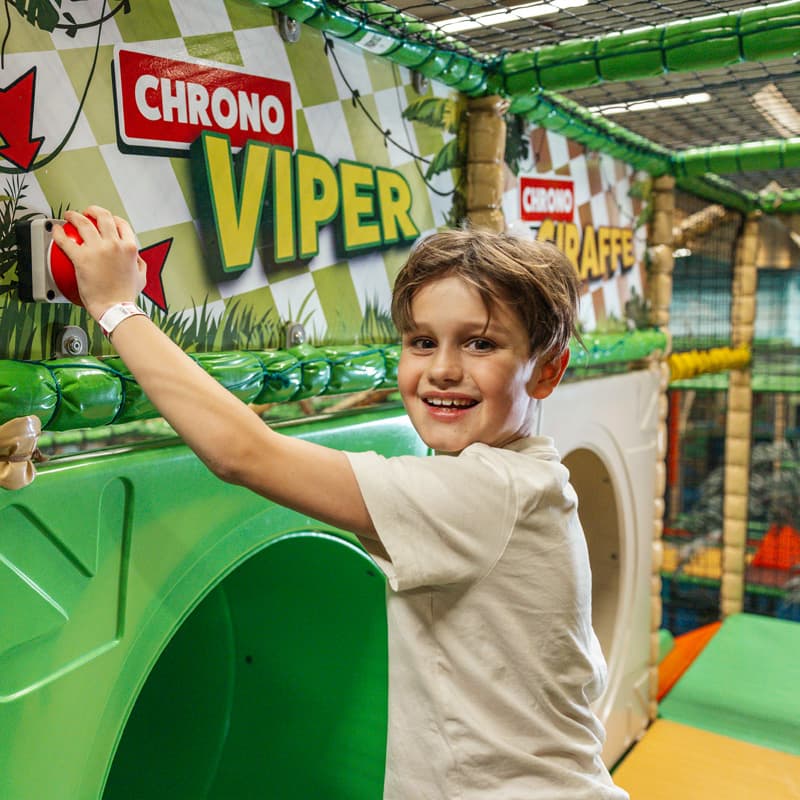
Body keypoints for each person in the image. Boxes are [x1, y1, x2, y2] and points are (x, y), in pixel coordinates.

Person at [53, 207, 629, 800]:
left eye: (480, 343)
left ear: (547, 371)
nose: (443, 369)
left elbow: (243, 455)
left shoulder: (489, 493)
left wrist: (116, 306)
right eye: (422, 342)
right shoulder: (522, 481)